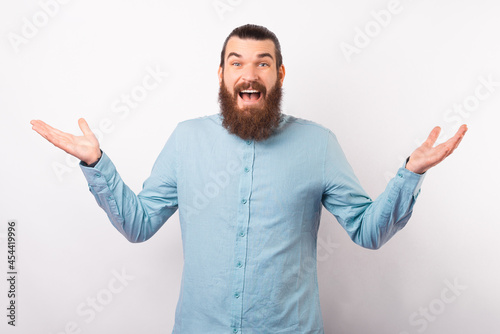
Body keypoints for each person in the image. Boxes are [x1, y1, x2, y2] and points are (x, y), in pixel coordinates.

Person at [31, 24, 467, 333]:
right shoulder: (187, 139)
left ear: (278, 75)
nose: (249, 73)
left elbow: (368, 231)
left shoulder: (318, 144)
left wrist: (409, 174)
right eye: (236, 62)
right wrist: (97, 164)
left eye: (263, 63)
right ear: (221, 75)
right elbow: (138, 224)